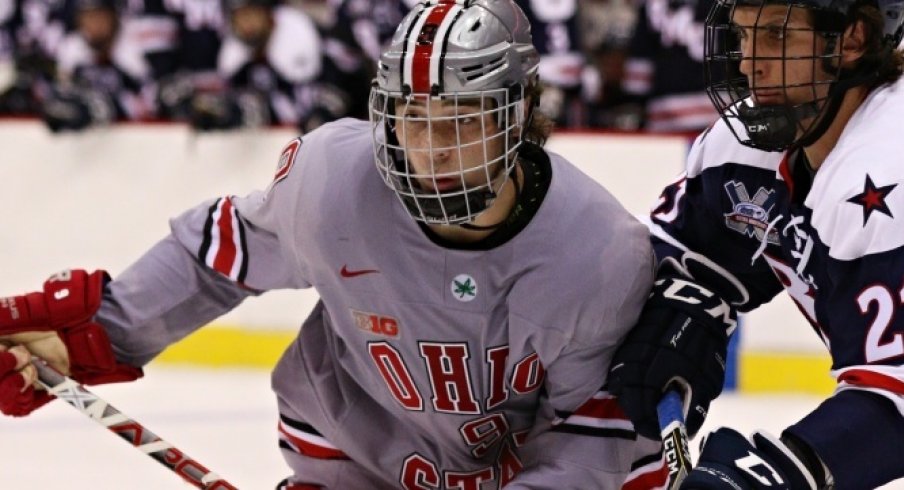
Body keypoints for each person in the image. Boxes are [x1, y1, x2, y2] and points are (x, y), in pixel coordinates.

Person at [0, 0, 665, 487]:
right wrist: (92, 335)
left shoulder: (598, 253)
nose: (430, 151)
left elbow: (590, 438)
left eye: (462, 122)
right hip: (353, 457)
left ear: (518, 117)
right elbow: (224, 255)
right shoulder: (335, 180)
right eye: (412, 120)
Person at [607, 0, 904, 487]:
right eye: (743, 37)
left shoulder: (887, 167)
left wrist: (779, 473)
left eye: (776, 36)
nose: (748, 62)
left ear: (851, 40)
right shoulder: (754, 143)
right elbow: (680, 256)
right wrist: (677, 313)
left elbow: (897, 394)